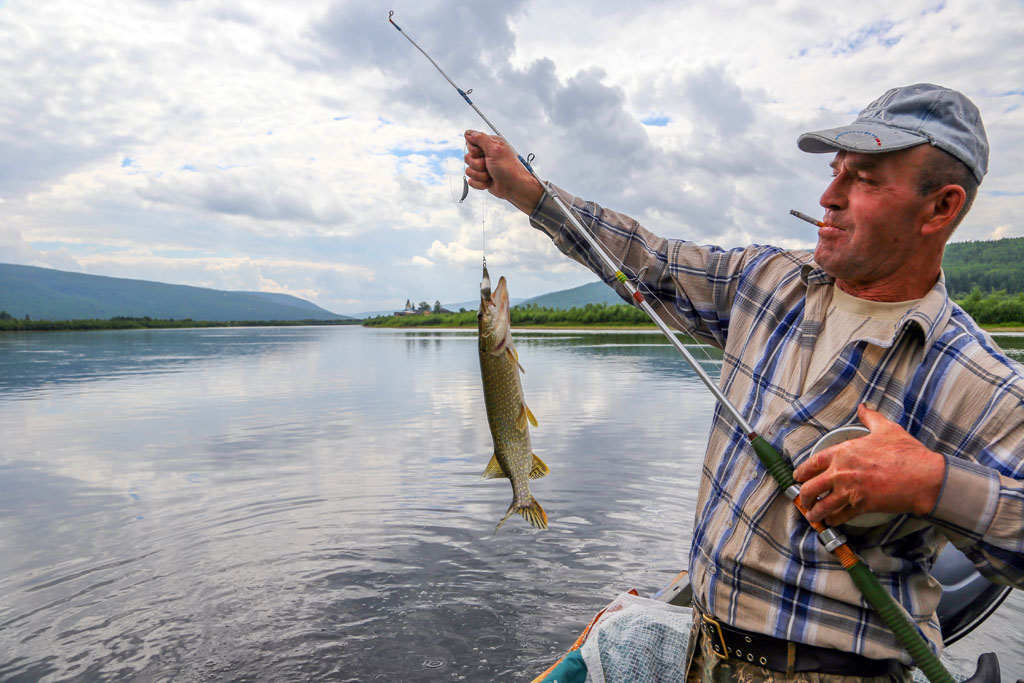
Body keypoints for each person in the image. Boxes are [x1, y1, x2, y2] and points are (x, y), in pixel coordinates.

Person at [463, 83, 1024, 682]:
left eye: (863, 179)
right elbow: (649, 261)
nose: (828, 196)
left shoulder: (976, 379)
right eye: (836, 172)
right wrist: (527, 191)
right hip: (705, 658)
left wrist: (930, 483)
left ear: (940, 208)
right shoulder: (769, 281)